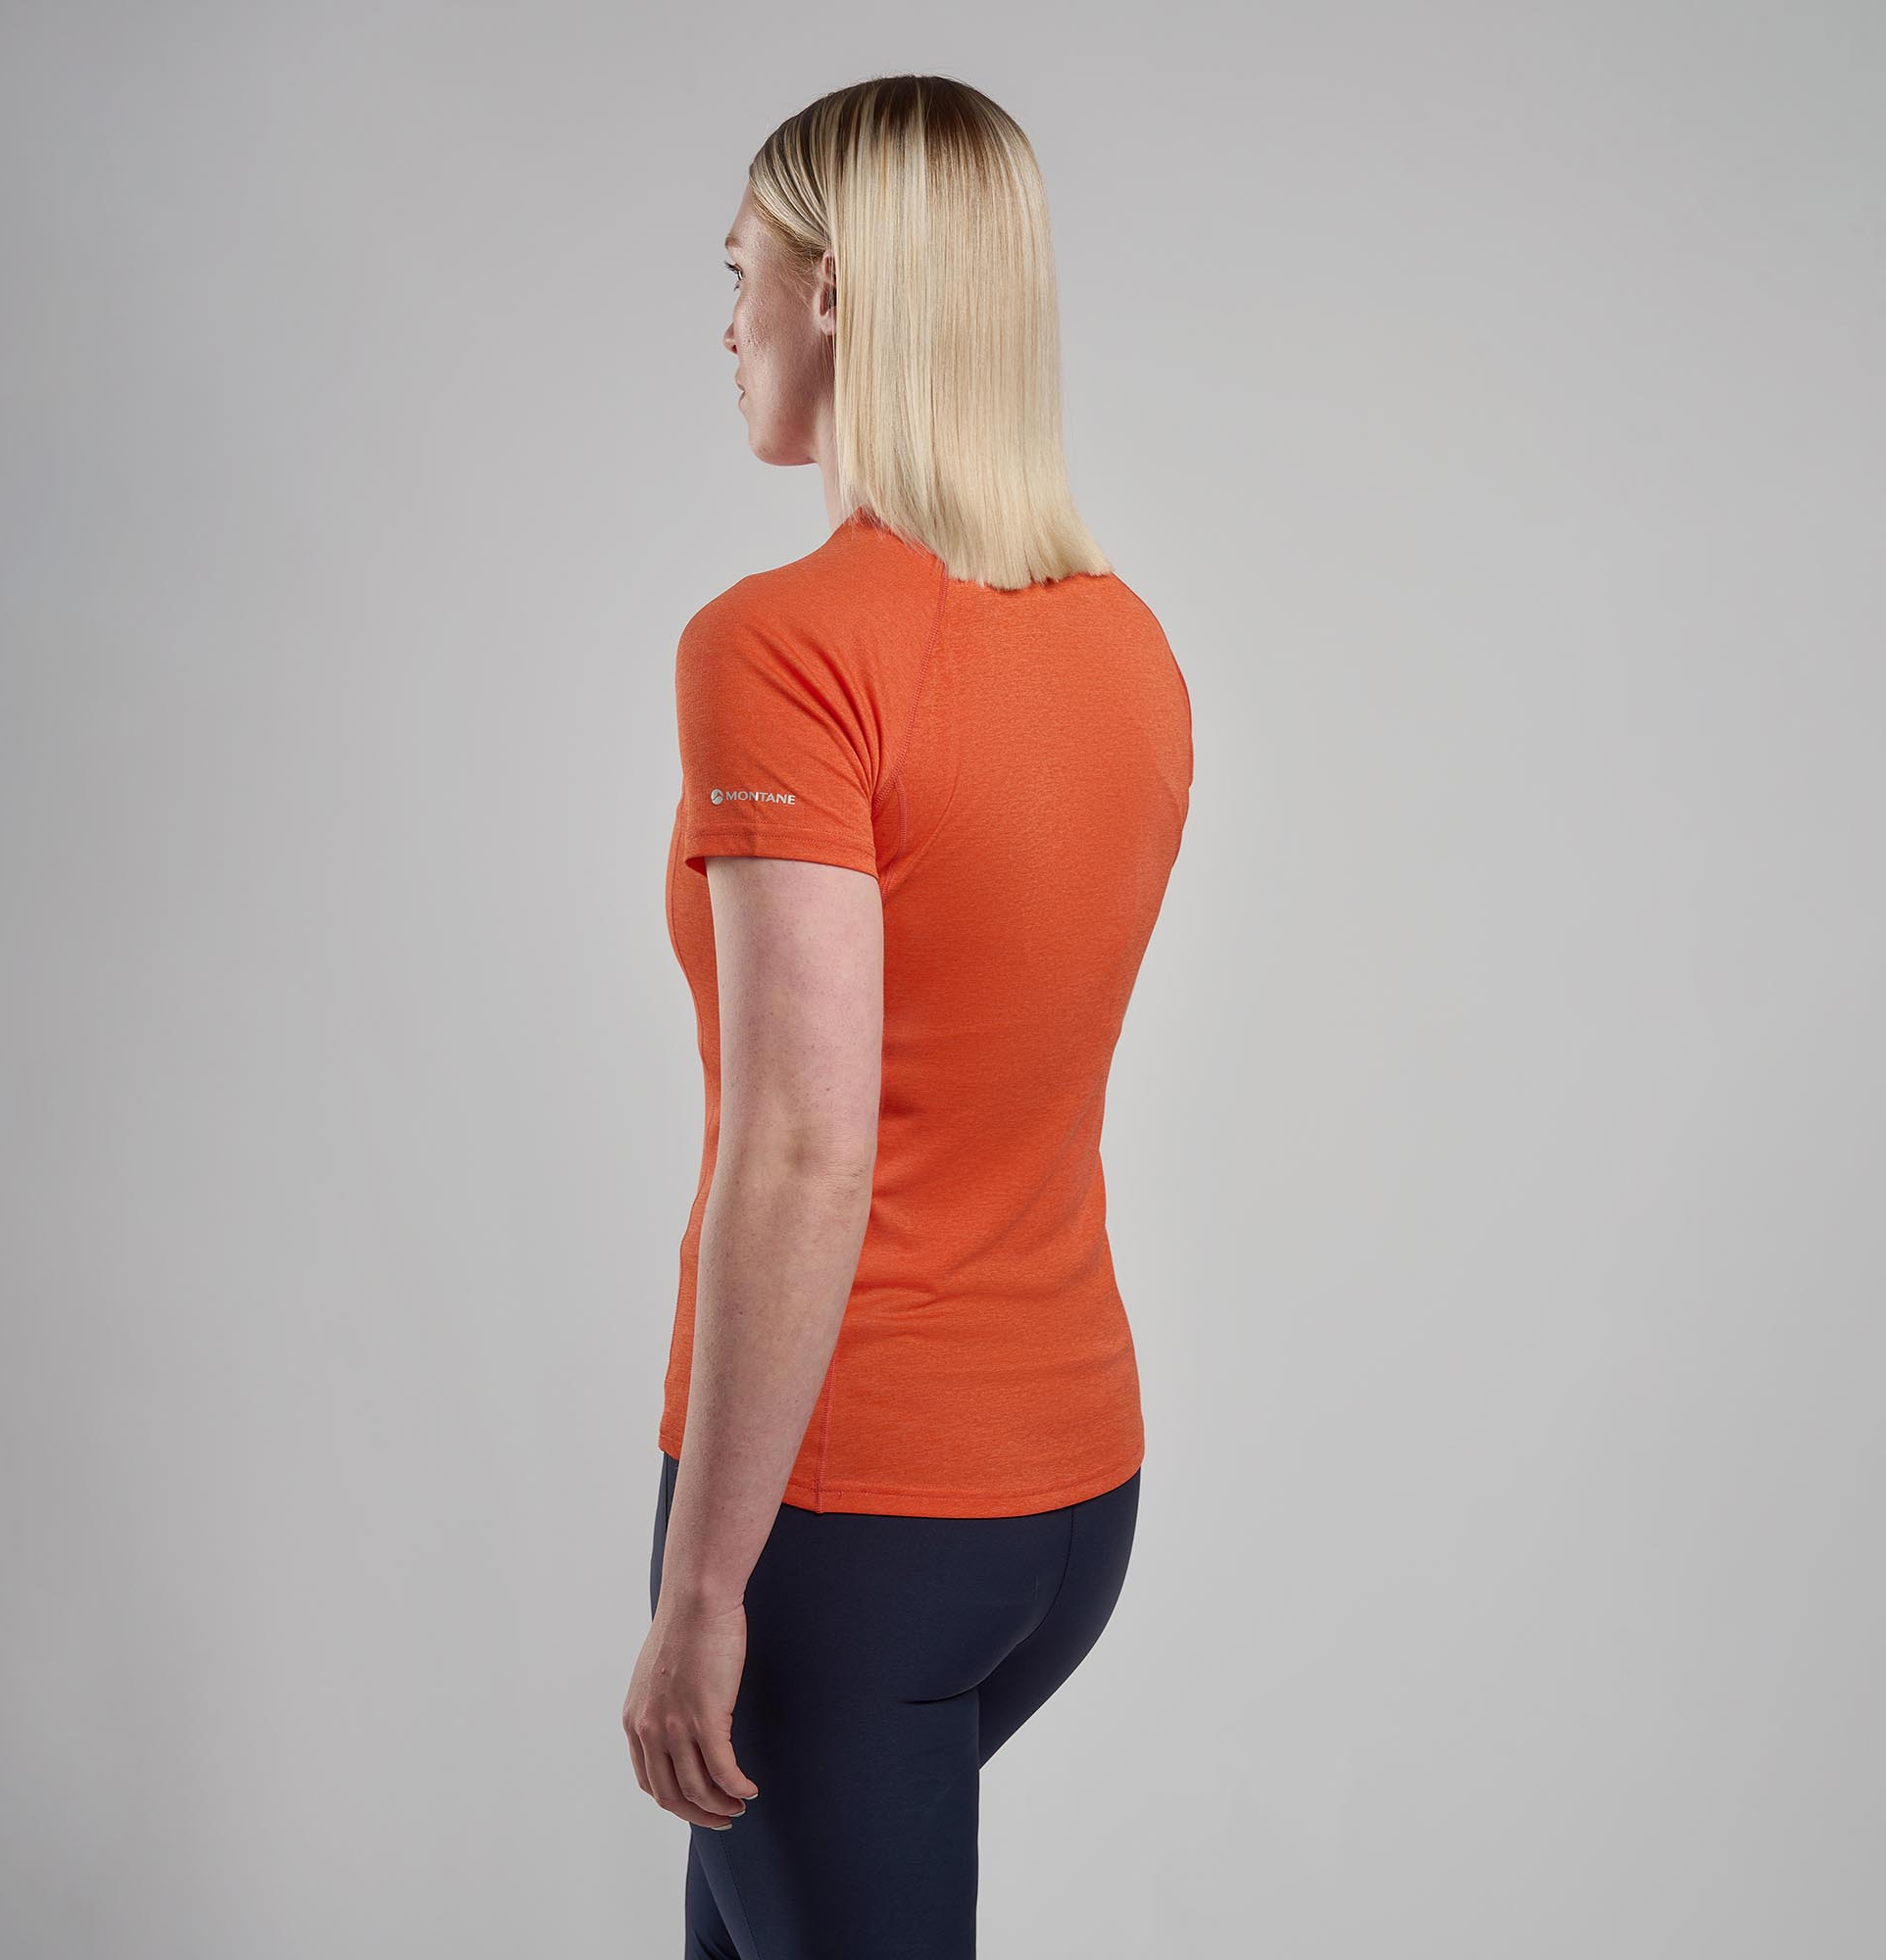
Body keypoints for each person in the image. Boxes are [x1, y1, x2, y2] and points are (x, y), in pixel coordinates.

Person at [622, 73, 1192, 1957]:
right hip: (1069, 1497)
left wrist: (705, 1590)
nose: (727, 327)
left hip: (846, 1519)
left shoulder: (782, 646)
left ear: (835, 291)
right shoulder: (1128, 646)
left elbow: (808, 1142)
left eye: (742, 275)